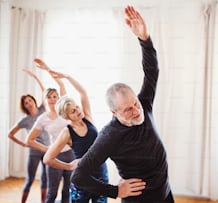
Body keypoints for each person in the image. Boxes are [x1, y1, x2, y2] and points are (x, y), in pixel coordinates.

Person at [71, 5, 175, 203]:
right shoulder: (110, 136)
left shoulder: (143, 105)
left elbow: (152, 71)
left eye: (135, 103)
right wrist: (115, 191)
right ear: (114, 112)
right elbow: (79, 175)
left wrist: (144, 38)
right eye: (128, 109)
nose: (136, 111)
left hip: (165, 193)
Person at [42, 70, 108, 203]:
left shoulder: (87, 116)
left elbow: (82, 92)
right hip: (82, 179)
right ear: (67, 117)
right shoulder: (66, 133)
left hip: (101, 175)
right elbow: (48, 158)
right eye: (73, 111)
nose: (78, 110)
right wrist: (70, 166)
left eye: (77, 107)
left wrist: (68, 77)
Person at [26, 58, 75, 203]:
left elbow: (60, 83)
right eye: (49, 97)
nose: (53, 99)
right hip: (55, 156)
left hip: (71, 154)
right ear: (44, 99)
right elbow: (29, 140)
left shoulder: (64, 110)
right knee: (52, 192)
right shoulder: (42, 118)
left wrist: (47, 68)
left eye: (55, 97)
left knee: (68, 190)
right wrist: (47, 148)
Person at [7, 69, 50, 203]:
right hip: (33, 153)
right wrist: (23, 144)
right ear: (24, 106)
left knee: (45, 179)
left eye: (30, 100)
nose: (29, 103)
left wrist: (35, 77)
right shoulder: (24, 120)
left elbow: (45, 92)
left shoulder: (43, 110)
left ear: (34, 100)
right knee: (30, 179)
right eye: (26, 102)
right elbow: (10, 133)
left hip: (47, 150)